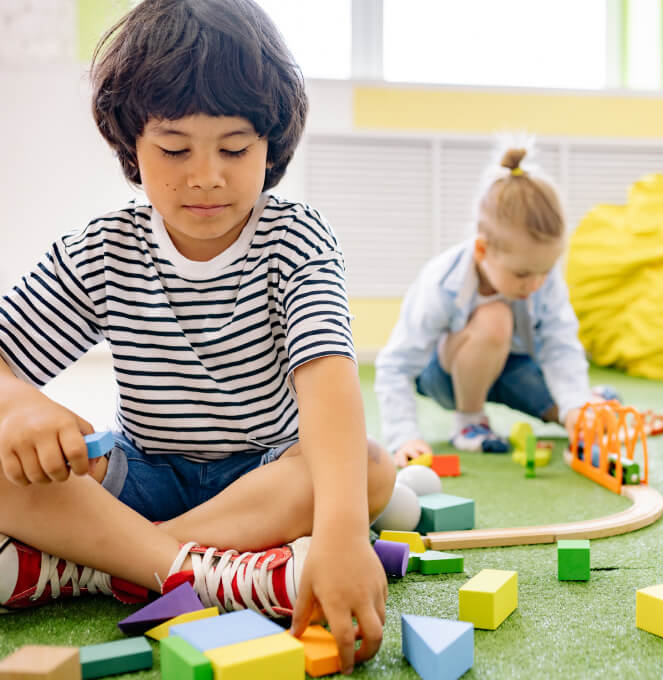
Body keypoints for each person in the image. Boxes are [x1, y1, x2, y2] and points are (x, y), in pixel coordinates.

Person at [0, 0, 393, 670]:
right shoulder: (102, 249)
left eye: (234, 149)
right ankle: (200, 570)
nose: (205, 175)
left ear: (270, 145)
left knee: (368, 468)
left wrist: (343, 534)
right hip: (139, 473)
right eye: (175, 148)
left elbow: (328, 383)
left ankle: (98, 565)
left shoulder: (296, 238)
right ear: (131, 143)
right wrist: (18, 404)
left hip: (262, 479)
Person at [375, 146, 594, 465]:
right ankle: (469, 422)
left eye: (546, 271)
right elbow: (396, 364)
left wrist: (576, 406)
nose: (536, 284)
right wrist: (404, 436)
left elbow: (560, 346)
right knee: (495, 319)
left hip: (511, 369)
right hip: (447, 376)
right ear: (482, 250)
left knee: (572, 412)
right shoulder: (443, 282)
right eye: (522, 274)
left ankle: (588, 401)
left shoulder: (541, 279)